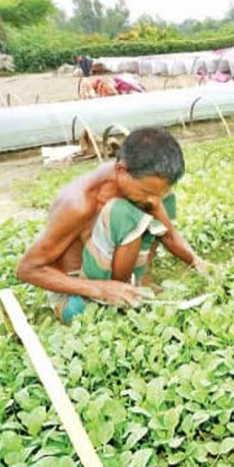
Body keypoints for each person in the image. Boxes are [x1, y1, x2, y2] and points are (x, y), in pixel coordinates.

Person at [16, 128, 209, 324]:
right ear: (121, 171)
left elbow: (169, 234)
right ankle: (122, 290)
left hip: (111, 274)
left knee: (164, 200)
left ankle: (136, 282)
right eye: (146, 191)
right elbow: (27, 269)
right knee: (122, 213)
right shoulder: (79, 204)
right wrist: (102, 289)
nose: (154, 200)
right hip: (77, 296)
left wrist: (201, 265)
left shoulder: (141, 184)